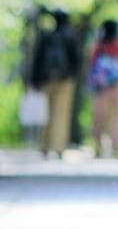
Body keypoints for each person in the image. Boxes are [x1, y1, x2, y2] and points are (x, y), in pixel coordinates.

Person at [29, 9, 81, 159]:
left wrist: (34, 80)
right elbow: (76, 59)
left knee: (45, 113)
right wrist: (70, 75)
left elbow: (37, 59)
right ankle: (58, 147)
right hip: (64, 80)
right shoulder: (71, 36)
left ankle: (44, 146)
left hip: (46, 80)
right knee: (61, 114)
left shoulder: (46, 36)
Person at [87, 19, 118, 158]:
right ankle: (116, 147)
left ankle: (97, 146)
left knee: (98, 117)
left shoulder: (98, 45)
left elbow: (90, 63)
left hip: (101, 88)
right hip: (116, 87)